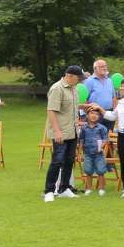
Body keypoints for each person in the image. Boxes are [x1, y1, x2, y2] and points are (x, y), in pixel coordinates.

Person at [43, 65, 84, 202]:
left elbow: (71, 107)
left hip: (72, 131)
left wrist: (85, 106)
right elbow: (51, 111)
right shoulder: (57, 88)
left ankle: (64, 188)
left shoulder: (74, 89)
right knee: (57, 161)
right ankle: (49, 190)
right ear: (70, 76)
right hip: (60, 132)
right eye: (78, 78)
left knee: (69, 161)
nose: (79, 81)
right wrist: (57, 131)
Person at [79, 104, 110, 196]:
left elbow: (105, 139)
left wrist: (101, 146)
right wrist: (79, 153)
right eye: (91, 113)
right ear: (87, 115)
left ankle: (101, 188)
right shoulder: (84, 128)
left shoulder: (102, 128)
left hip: (99, 154)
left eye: (96, 114)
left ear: (99, 116)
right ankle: (88, 188)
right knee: (88, 171)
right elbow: (81, 140)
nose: (94, 115)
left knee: (100, 171)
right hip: (87, 153)